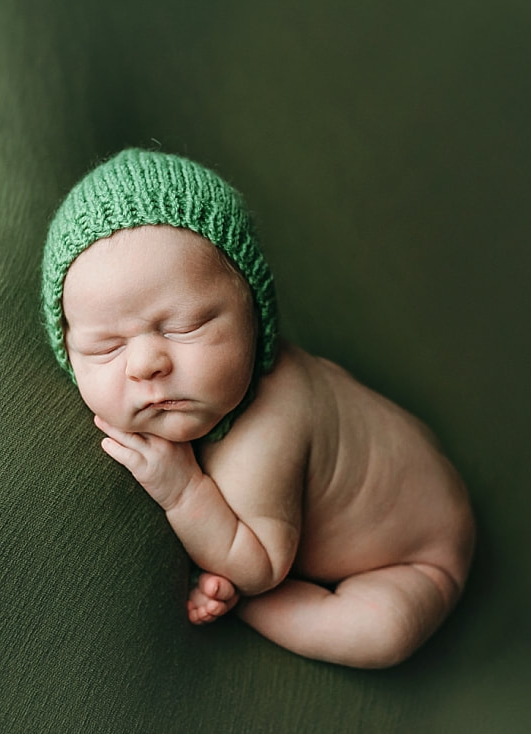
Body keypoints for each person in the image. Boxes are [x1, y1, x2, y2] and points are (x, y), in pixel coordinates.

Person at [42, 148, 475, 668]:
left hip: (418, 556)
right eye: (106, 348)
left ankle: (249, 613)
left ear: (255, 312)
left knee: (382, 632)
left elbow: (261, 564)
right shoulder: (213, 387)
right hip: (415, 469)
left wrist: (182, 490)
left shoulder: (265, 426)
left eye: (185, 327)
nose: (147, 363)